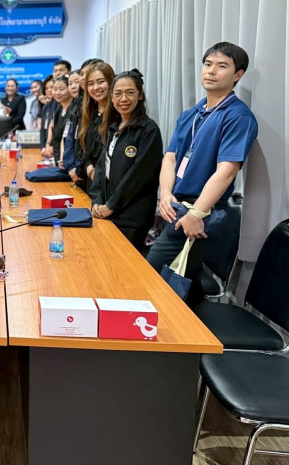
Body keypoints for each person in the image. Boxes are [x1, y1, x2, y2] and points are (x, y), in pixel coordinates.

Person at [146, 42, 258, 304]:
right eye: (208, 64)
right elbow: (170, 157)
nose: (211, 71)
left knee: (151, 276)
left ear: (238, 74)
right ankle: (197, 325)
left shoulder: (238, 116)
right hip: (176, 206)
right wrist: (165, 194)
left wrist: (197, 213)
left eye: (222, 66)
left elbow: (226, 171)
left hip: (200, 212)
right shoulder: (192, 114)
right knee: (183, 280)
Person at [90, 69, 163, 252]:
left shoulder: (149, 130)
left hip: (131, 217)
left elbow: (138, 176)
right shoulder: (113, 128)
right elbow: (101, 168)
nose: (123, 99)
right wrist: (97, 201)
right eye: (118, 94)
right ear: (112, 97)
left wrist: (111, 205)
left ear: (140, 95)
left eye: (130, 92)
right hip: (107, 211)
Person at [78, 61, 115, 191]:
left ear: (111, 82)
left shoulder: (119, 114)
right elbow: (83, 149)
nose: (96, 87)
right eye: (91, 84)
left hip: (111, 184)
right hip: (91, 181)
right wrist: (90, 169)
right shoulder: (88, 113)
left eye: (101, 82)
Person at [44, 76, 76, 162]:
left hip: (71, 160)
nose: (57, 92)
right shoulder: (58, 110)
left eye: (61, 89)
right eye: (55, 89)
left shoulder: (75, 109)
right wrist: (49, 145)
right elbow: (56, 137)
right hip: (58, 159)